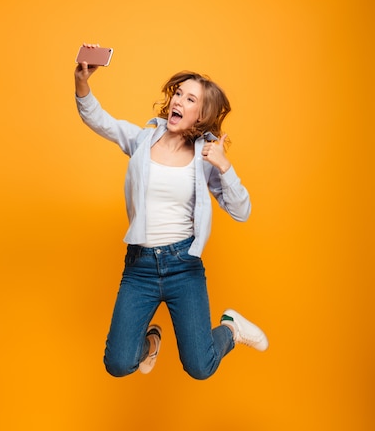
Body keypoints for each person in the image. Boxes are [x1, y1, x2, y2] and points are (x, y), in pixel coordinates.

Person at [74, 44, 268, 380]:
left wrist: (225, 167)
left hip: (183, 267)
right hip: (140, 267)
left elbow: (241, 211)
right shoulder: (142, 141)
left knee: (199, 366)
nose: (178, 101)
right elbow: (99, 120)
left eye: (190, 99)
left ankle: (231, 329)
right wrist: (82, 83)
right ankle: (150, 343)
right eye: (178, 94)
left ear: (201, 115)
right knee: (118, 363)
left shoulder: (206, 159)